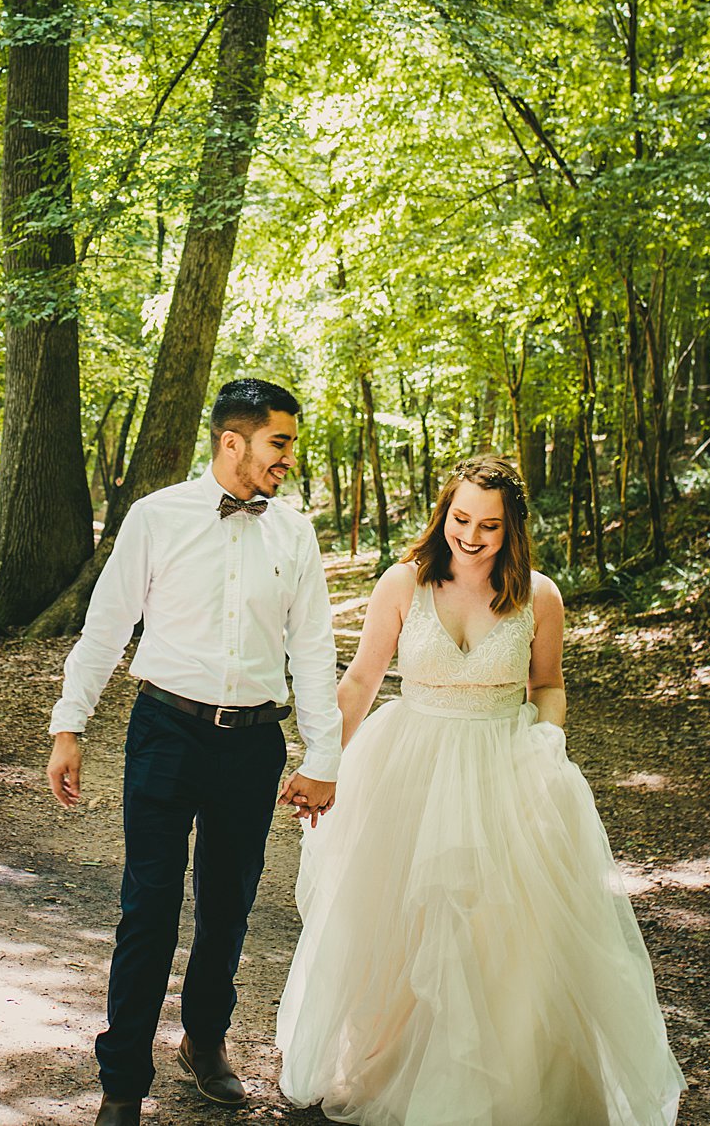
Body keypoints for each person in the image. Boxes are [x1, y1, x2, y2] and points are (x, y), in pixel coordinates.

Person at [277, 455, 685, 1126]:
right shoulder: (403, 583)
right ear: (445, 512)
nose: (471, 534)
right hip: (408, 765)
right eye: (461, 517)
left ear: (512, 528)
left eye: (488, 525)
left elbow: (547, 685)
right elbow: (360, 682)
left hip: (505, 767)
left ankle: (494, 1090)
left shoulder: (539, 596)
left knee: (500, 937)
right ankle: (390, 1069)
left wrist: (545, 742)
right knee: (399, 925)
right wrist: (321, 759)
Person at [47, 377, 343, 1126]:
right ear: (231, 441)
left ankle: (204, 1040)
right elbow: (106, 625)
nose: (287, 461)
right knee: (147, 905)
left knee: (228, 906)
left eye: (290, 446)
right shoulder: (155, 517)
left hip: (254, 745)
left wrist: (322, 757)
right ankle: (122, 1083)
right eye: (279, 443)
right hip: (165, 732)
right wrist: (68, 724)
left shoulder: (295, 534)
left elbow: (312, 652)